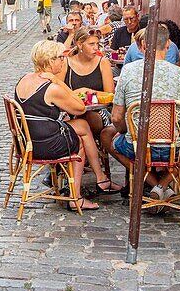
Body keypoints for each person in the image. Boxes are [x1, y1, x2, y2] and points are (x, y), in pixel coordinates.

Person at [101, 25, 180, 204]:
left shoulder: (128, 72)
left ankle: (154, 185)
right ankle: (162, 186)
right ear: (169, 44)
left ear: (144, 45)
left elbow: (116, 117)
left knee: (109, 138)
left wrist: (127, 131)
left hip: (138, 146)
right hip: (175, 147)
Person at [13, 41, 120, 211]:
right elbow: (80, 107)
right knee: (78, 143)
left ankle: (101, 178)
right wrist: (59, 82)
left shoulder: (24, 79)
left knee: (82, 125)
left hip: (27, 141)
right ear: (50, 61)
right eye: (61, 58)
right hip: (45, 144)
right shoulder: (52, 87)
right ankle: (76, 198)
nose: (63, 62)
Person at [64, 28, 116, 137]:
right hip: (71, 110)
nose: (96, 48)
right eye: (91, 44)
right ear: (79, 44)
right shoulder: (66, 63)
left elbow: (110, 95)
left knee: (88, 116)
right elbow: (59, 90)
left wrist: (88, 92)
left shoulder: (102, 62)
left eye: (97, 44)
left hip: (97, 111)